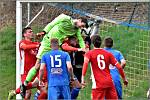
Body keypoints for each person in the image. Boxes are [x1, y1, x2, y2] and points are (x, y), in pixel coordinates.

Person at [21, 14, 88, 93]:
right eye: (82, 25)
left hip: (57, 46)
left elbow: (80, 39)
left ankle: (65, 82)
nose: (81, 28)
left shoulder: (76, 30)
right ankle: (25, 84)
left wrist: (84, 49)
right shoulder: (64, 18)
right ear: (79, 20)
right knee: (37, 66)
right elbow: (52, 23)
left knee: (62, 64)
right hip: (47, 42)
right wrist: (44, 31)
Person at [81, 34, 128, 100]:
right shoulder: (108, 54)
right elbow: (119, 67)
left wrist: (82, 78)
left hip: (98, 84)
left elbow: (85, 64)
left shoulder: (89, 53)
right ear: (101, 43)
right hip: (109, 83)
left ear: (92, 43)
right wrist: (124, 79)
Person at [8, 27, 40, 100]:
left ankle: (14, 92)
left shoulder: (36, 43)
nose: (32, 33)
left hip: (35, 70)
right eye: (29, 32)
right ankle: (14, 92)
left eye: (32, 31)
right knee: (27, 93)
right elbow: (25, 47)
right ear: (24, 34)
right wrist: (37, 45)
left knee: (43, 89)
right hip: (25, 71)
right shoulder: (22, 42)